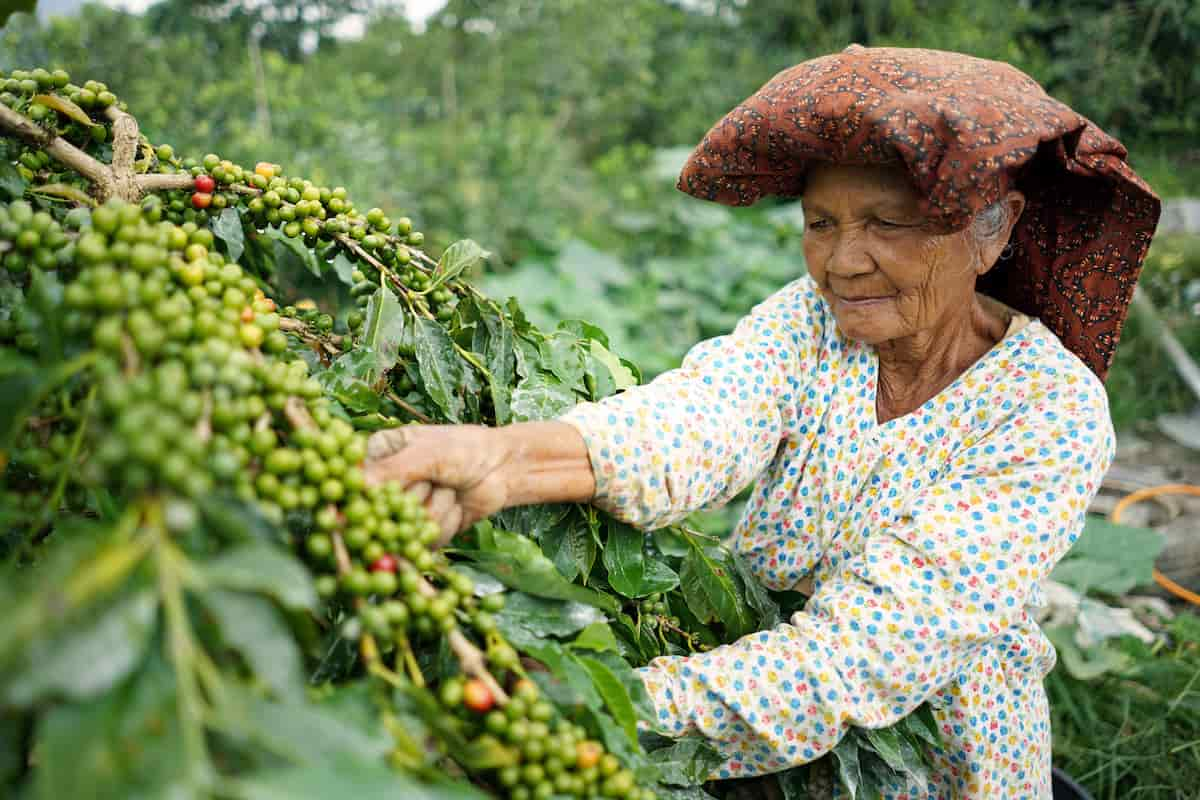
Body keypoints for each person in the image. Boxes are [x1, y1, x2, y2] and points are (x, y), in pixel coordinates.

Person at [364, 46, 1160, 798]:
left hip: (932, 756)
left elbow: (860, 657)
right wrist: (498, 461)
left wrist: (587, 705)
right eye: (821, 223)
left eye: (886, 224)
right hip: (744, 704)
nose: (842, 262)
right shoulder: (812, 323)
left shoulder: (1049, 410)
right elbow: (692, 422)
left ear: (992, 227)